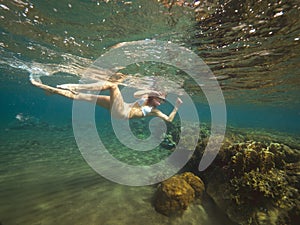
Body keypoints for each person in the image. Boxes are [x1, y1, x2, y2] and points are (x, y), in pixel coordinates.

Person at [30, 78, 183, 122]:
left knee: (113, 86)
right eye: (159, 99)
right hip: (119, 107)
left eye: (162, 101)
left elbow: (168, 120)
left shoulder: (154, 111)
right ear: (153, 96)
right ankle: (53, 91)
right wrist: (150, 91)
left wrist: (176, 107)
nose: (160, 103)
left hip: (122, 113)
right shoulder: (145, 97)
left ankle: (76, 86)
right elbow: (137, 94)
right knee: (84, 98)